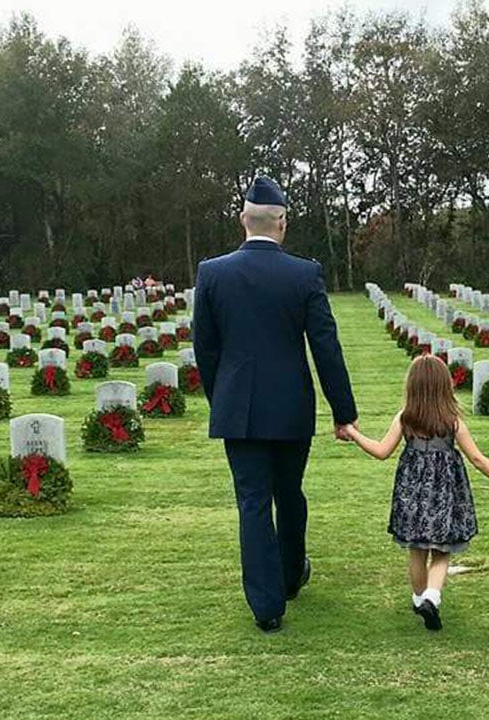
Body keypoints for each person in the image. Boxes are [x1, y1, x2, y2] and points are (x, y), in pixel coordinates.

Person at [193, 176, 358, 634]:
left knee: (252, 502)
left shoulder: (213, 273)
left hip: (238, 408)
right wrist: (343, 411)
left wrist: (222, 399)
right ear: (282, 222)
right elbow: (325, 346)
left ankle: (267, 606)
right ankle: (288, 577)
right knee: (289, 493)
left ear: (242, 220)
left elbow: (205, 349)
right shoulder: (304, 274)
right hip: (291, 406)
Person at [346, 355, 489, 631]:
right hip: (445, 496)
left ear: (413, 385)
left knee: (417, 550)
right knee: (442, 551)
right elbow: (477, 459)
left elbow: (382, 451)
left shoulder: (405, 418)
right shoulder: (452, 421)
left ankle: (420, 600)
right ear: (444, 385)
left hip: (412, 496)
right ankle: (432, 597)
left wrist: (354, 433)